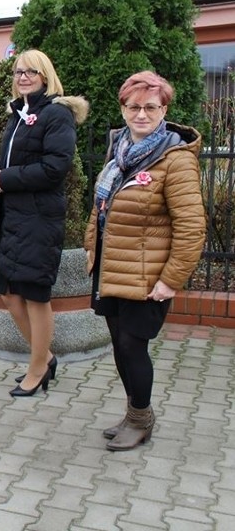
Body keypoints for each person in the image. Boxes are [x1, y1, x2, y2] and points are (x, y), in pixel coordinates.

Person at [84, 71, 205, 450]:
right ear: (123, 109)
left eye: (150, 107)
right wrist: (91, 244)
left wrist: (171, 280)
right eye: (133, 106)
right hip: (111, 265)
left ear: (164, 109)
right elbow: (101, 205)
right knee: (119, 344)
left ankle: (141, 418)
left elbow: (191, 227)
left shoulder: (175, 159)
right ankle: (134, 413)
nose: (141, 114)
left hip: (146, 275)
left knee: (133, 346)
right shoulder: (119, 149)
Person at [0, 49, 89, 397]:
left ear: (45, 75)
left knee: (34, 296)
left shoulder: (56, 114)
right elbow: (11, 160)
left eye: (31, 71)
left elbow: (55, 168)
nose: (23, 76)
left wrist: (5, 178)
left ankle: (38, 366)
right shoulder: (19, 114)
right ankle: (46, 357)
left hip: (39, 218)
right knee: (9, 296)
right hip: (13, 216)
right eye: (17, 71)